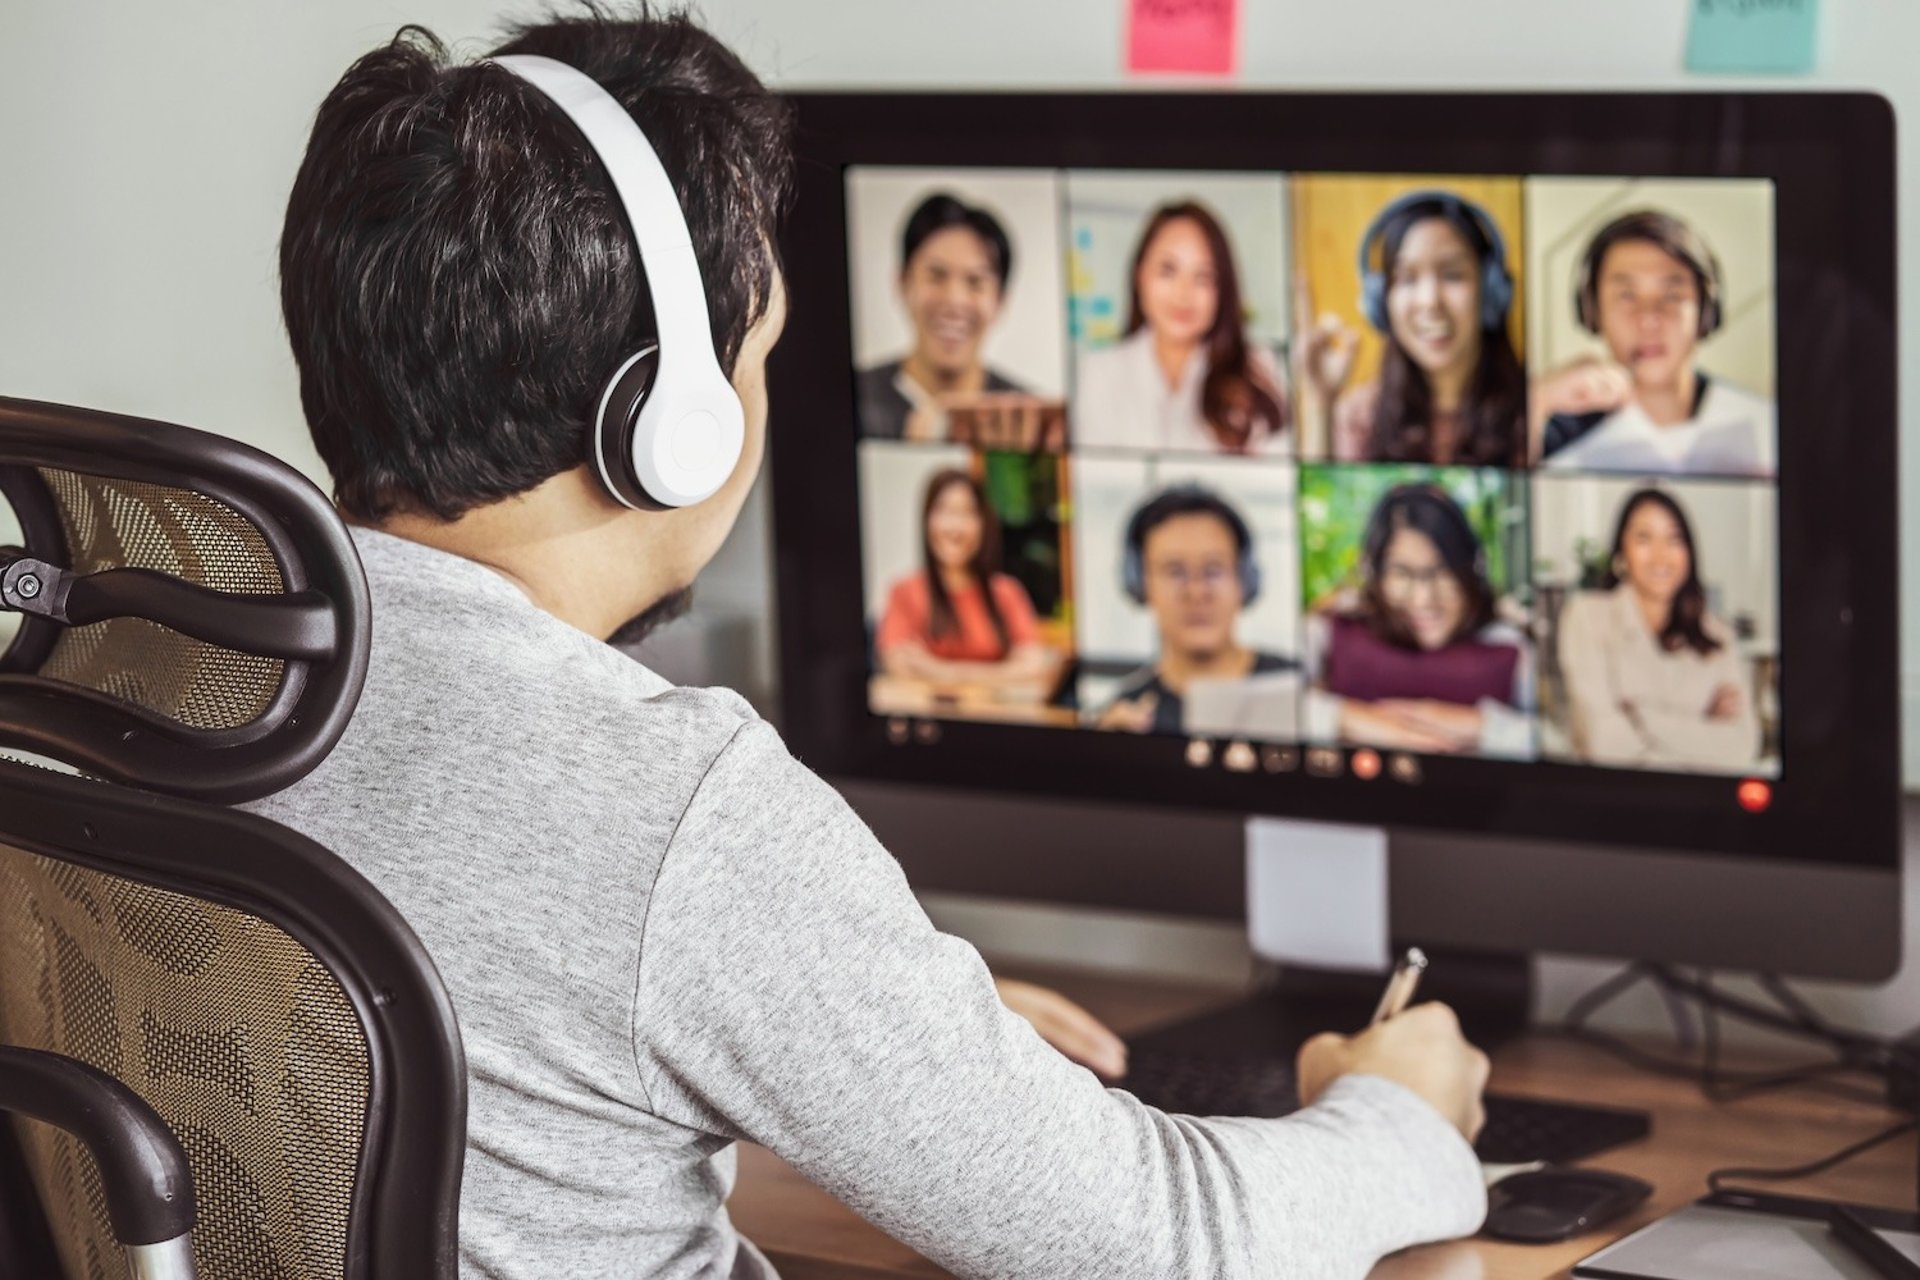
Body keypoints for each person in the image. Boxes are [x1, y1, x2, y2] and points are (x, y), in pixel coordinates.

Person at [255, 12, 1489, 1279]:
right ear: (664, 417)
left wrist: (861, 1020)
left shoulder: (159, 668)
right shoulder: (673, 814)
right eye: (765, 350)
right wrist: (1398, 1108)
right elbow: (1168, 1243)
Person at [1534, 209, 1775, 477]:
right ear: (1593, 310)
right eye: (1626, 296)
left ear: (1705, 310)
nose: (1649, 319)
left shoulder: (1766, 426)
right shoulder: (1547, 435)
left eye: (1672, 295)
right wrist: (1537, 400)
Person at [1303, 485, 1534, 758]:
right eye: (1402, 573)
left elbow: (1565, 739)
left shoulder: (1510, 643)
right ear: (1373, 573)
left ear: (1472, 569)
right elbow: (1266, 702)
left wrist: (1481, 726)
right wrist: (1351, 719)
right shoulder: (1332, 626)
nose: (1424, 599)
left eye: (1443, 572)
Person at [1304, 190, 1528, 468]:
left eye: (1452, 274)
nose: (1429, 301)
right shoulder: (1359, 416)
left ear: (1491, 291)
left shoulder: (1532, 411)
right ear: (1381, 303)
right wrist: (1322, 403)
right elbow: (1318, 506)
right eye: (1408, 279)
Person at [1555, 488, 1760, 771]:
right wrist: (1702, 725)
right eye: (1644, 538)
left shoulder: (1717, 634)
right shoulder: (1587, 617)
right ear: (1621, 553)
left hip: (1700, 807)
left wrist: (1642, 717)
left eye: (1673, 538)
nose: (1660, 555)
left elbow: (1740, 748)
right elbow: (1603, 744)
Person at [1074, 201, 1291, 455]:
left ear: (1222, 289)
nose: (1183, 294)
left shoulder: (1258, 367)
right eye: (1168, 270)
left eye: (1203, 277)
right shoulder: (1100, 372)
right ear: (1140, 275)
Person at [1098, 486, 1297, 736]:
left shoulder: (1298, 686)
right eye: (1174, 571)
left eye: (1213, 569)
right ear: (1139, 583)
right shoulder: (1122, 713)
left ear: (1244, 579)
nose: (1196, 593)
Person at [857, 192, 1054, 444]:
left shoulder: (1028, 418)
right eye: (936, 275)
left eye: (975, 282)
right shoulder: (854, 396)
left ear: (1000, 301)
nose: (954, 301)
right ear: (903, 283)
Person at [875, 468, 1058, 689]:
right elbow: (898, 666)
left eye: (967, 513)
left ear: (983, 524)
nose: (955, 527)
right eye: (944, 511)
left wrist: (942, 672)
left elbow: (1034, 667)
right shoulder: (904, 591)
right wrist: (1000, 673)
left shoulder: (1007, 592)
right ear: (926, 520)